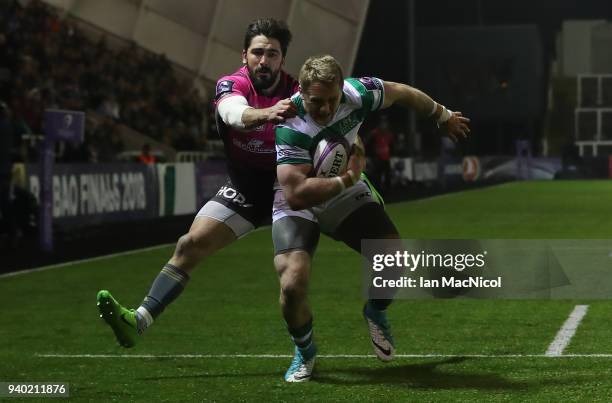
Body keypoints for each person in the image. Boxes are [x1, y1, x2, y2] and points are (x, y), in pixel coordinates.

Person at [96, 18, 298, 348]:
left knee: (293, 276)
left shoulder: (298, 91)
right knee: (189, 245)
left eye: (272, 54)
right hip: (246, 187)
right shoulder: (232, 85)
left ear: (282, 60)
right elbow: (233, 113)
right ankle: (139, 321)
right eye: (258, 52)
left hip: (290, 189)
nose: (264, 60)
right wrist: (267, 113)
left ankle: (335, 334)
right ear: (244, 55)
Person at [272, 55, 470, 382]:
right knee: (292, 284)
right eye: (315, 102)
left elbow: (403, 92)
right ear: (302, 94)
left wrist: (442, 114)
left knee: (393, 259)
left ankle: (375, 311)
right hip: (300, 198)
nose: (324, 109)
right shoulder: (291, 122)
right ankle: (305, 352)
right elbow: (296, 194)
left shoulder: (359, 93)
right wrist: (349, 178)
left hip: (343, 189)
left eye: (331, 101)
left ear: (341, 89)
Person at [366, 114, 394, 192]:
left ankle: (388, 191)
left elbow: (391, 145)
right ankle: (378, 191)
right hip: (377, 159)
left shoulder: (388, 134)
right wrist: (371, 155)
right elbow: (368, 144)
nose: (384, 124)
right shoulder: (374, 133)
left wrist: (391, 154)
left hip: (386, 158)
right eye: (382, 123)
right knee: (377, 176)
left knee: (387, 176)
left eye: (385, 123)